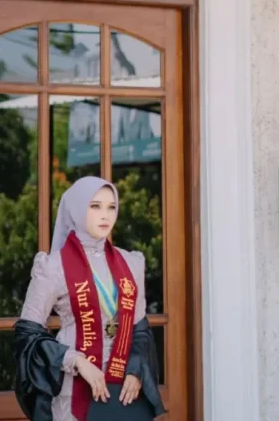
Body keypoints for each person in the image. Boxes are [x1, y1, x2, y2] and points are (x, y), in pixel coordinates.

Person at [13, 177, 165, 421]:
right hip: (73, 389)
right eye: (95, 206)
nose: (105, 215)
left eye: (111, 207)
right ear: (76, 209)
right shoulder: (53, 267)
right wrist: (77, 362)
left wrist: (136, 371)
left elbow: (140, 329)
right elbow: (27, 334)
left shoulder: (131, 263)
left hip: (123, 392)